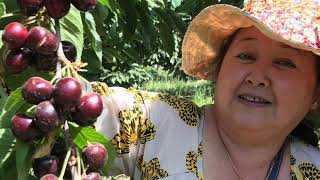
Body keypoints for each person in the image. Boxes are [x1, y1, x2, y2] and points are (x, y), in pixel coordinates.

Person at [93, 0, 320, 179]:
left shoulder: (312, 168)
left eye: (284, 63)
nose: (257, 77)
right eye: (245, 56)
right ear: (220, 69)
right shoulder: (154, 122)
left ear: (315, 93)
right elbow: (85, 107)